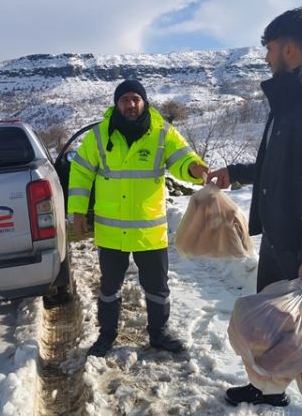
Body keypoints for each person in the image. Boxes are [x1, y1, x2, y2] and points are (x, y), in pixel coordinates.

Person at [207, 7, 302, 413]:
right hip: (278, 235)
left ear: (288, 49)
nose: (267, 58)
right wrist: (233, 173)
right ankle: (266, 388)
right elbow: (278, 165)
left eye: (270, 49)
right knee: (272, 328)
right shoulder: (284, 104)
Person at [68, 79, 208, 357]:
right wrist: (78, 211)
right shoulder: (98, 136)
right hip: (111, 231)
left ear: (144, 102)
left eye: (135, 99)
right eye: (124, 100)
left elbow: (181, 158)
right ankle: (106, 336)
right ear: (116, 104)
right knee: (109, 287)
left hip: (149, 230)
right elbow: (81, 174)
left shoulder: (162, 133)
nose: (130, 104)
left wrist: (192, 168)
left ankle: (159, 334)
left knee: (157, 287)